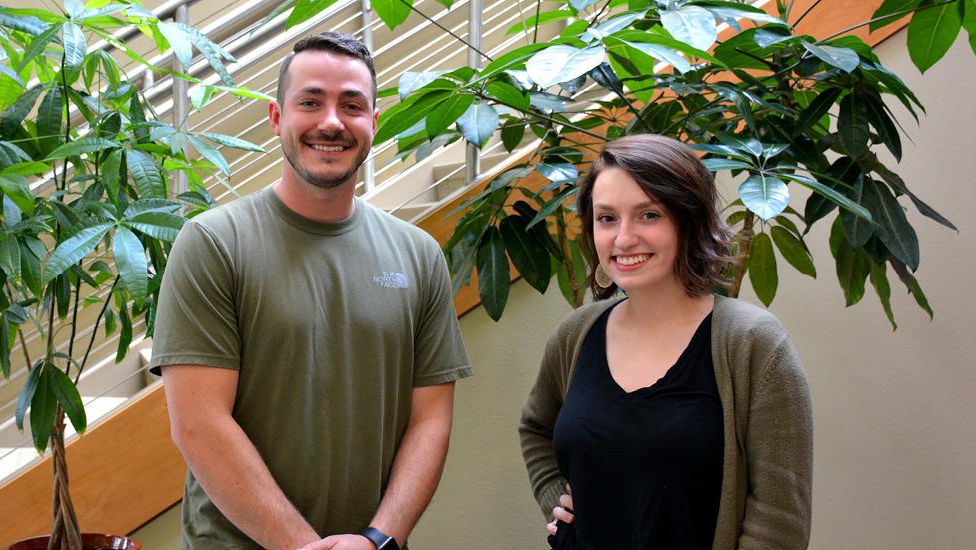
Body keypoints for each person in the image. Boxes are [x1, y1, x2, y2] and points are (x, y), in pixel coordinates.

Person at [149, 31, 472, 550]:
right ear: (277, 118)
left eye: (352, 105)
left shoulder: (419, 255)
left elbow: (431, 420)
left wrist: (379, 539)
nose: (331, 122)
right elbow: (198, 425)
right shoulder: (213, 243)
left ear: (373, 122)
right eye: (310, 102)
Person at [519, 134, 812, 549]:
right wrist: (555, 500)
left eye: (648, 215)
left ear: (687, 218)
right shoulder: (575, 334)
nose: (623, 238)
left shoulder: (753, 345)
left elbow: (780, 524)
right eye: (606, 218)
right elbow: (535, 428)